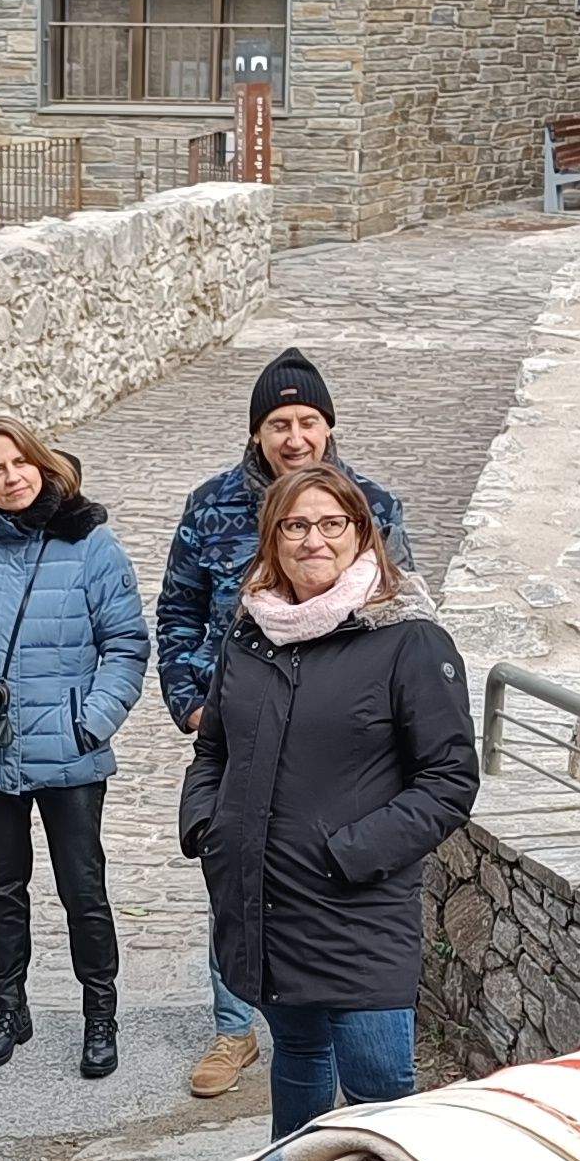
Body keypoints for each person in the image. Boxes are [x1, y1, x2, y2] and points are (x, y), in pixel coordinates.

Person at [180, 462, 476, 1134]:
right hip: (265, 902)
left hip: (359, 910)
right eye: (296, 525)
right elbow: (214, 749)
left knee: (377, 1085)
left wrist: (348, 854)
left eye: (331, 523)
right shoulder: (251, 635)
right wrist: (206, 825)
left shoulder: (408, 639)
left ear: (360, 533)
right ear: (273, 539)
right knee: (299, 1054)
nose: (314, 539)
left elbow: (449, 780)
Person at [159, 350, 408, 1104]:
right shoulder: (210, 506)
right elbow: (176, 610)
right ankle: (235, 1026)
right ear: (257, 433)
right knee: (240, 883)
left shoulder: (373, 504)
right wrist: (192, 704)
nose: (294, 436)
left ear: (328, 426)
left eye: (306, 421)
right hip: (240, 721)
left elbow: (400, 603)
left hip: (340, 733)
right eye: (278, 423)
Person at [0, 416, 148, 1079]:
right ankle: (8, 1008)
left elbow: (127, 644)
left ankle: (100, 1015)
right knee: (3, 885)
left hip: (70, 751)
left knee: (84, 889)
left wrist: (94, 719)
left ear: (44, 465)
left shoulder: (92, 547)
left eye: (20, 463)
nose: (11, 477)